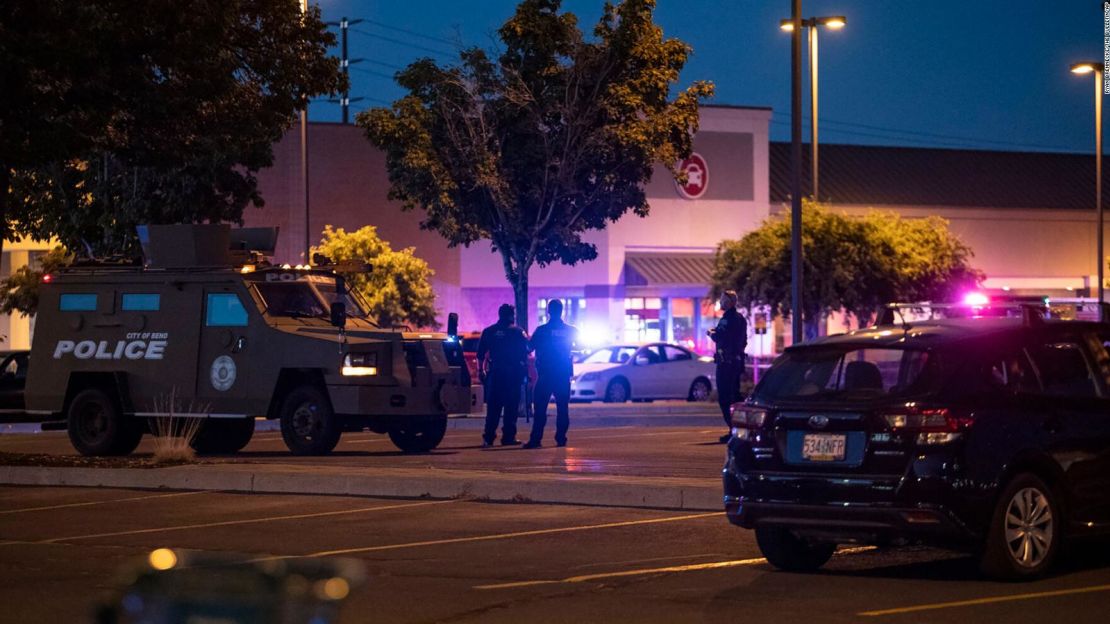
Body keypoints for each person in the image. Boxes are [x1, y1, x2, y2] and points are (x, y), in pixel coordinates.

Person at [524, 300, 578, 449]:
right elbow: (580, 346)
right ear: (562, 311)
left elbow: (529, 347)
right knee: (562, 407)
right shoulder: (571, 330)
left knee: (540, 408)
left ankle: (536, 439)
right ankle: (561, 438)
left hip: (546, 374)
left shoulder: (542, 330)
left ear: (549, 311)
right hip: (562, 374)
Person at [476, 304, 529, 447]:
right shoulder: (518, 332)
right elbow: (526, 352)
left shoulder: (489, 331)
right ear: (512, 315)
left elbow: (480, 354)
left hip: (496, 373)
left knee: (493, 407)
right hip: (513, 375)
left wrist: (480, 371)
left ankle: (488, 438)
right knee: (511, 407)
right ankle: (508, 437)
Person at [709, 290, 747, 443]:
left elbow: (720, 336)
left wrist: (711, 333)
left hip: (726, 363)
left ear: (730, 302)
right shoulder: (740, 319)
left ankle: (733, 430)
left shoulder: (727, 319)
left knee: (725, 398)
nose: (721, 302)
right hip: (737, 362)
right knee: (735, 397)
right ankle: (739, 429)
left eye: (723, 299)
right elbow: (743, 341)